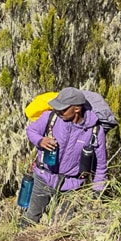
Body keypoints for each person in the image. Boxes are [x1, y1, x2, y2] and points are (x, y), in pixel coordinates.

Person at [22, 87, 108, 226]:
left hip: (72, 185)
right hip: (44, 177)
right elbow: (31, 130)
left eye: (62, 109)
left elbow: (101, 166)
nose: (58, 111)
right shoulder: (50, 117)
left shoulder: (96, 131)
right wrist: (40, 140)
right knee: (30, 218)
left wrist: (97, 192)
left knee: (63, 225)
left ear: (77, 109)